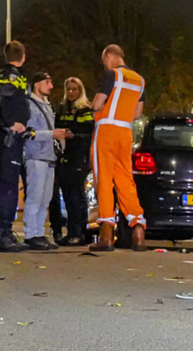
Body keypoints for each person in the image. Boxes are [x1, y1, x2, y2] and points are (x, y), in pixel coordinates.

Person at [90, 44, 147, 252]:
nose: (104, 65)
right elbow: (138, 113)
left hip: (106, 131)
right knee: (125, 180)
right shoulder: (140, 80)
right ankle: (138, 228)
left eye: (104, 60)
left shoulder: (113, 75)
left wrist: (93, 107)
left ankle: (106, 233)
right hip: (125, 133)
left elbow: (98, 103)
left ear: (110, 56)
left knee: (103, 179)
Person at [0, 41, 32, 252]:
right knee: (8, 184)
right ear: (23, 56)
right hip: (9, 135)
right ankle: (2, 232)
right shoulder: (12, 76)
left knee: (8, 182)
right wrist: (11, 123)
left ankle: (3, 230)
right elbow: (2, 99)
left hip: (2, 133)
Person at [23, 72, 69, 251]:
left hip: (48, 157)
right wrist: (52, 134)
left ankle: (39, 232)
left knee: (45, 198)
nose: (51, 86)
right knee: (35, 196)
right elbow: (27, 133)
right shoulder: (29, 105)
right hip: (36, 156)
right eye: (47, 82)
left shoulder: (46, 105)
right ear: (37, 84)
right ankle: (31, 234)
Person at [49, 77, 95, 245]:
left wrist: (73, 136)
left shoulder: (85, 110)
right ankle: (71, 232)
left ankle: (80, 233)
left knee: (77, 196)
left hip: (78, 157)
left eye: (74, 89)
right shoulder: (62, 108)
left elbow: (89, 135)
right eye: (68, 89)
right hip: (63, 156)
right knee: (67, 197)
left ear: (80, 91)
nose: (71, 92)